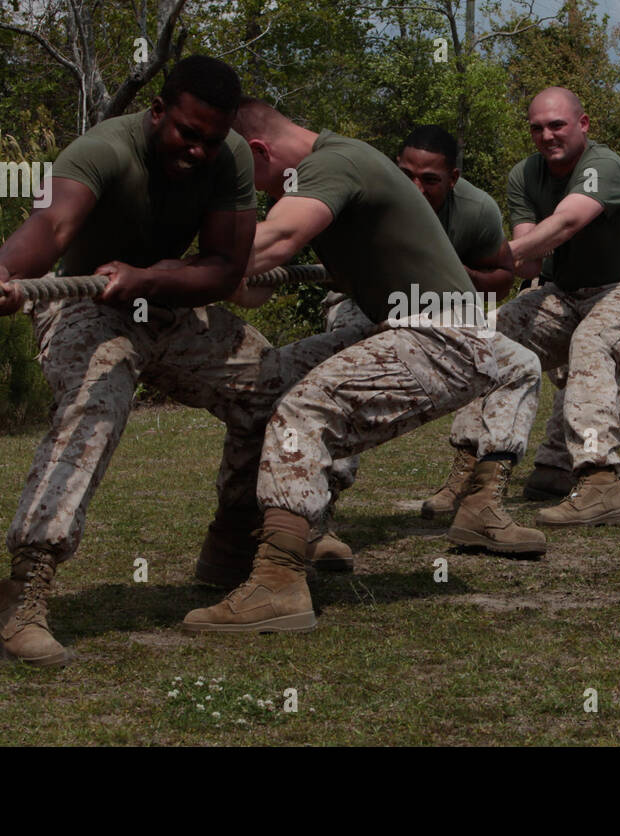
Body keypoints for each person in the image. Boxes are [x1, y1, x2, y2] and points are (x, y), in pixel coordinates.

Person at [180, 98, 545, 634]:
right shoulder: (319, 174)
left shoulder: (329, 164)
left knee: (303, 406)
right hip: (403, 326)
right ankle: (237, 541)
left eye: (241, 174)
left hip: (444, 333)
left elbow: (274, 242)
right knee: (265, 383)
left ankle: (279, 582)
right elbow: (251, 285)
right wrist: (198, 277)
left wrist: (164, 271)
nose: (247, 191)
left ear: (258, 150)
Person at [0, 55, 270, 666]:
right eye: (186, 135)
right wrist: (8, 273)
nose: (197, 151)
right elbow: (52, 225)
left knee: (274, 383)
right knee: (97, 402)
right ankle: (24, 594)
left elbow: (223, 269)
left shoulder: (232, 157)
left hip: (161, 296)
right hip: (85, 301)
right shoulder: (102, 149)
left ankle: (235, 545)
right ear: (157, 111)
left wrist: (147, 279)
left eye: (210, 141)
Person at [436, 87, 620, 529]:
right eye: (537, 127)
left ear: (583, 125)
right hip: (568, 293)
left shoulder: (606, 167)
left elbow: (563, 225)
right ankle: (470, 472)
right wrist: (458, 268)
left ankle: (599, 480)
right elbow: (530, 257)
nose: (546, 135)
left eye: (557, 125)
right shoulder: (525, 175)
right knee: (490, 337)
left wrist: (491, 256)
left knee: (594, 341)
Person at [318, 124, 515, 570]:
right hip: (364, 301)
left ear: (454, 179)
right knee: (345, 374)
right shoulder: (365, 193)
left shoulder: (477, 210)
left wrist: (455, 274)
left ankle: (480, 497)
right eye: (406, 174)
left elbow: (503, 278)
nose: (415, 187)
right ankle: (317, 514)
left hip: (441, 307)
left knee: (504, 361)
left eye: (429, 180)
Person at [513, 140, 620, 502]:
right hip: (559, 296)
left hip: (608, 299)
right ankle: (585, 467)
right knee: (588, 361)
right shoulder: (596, 173)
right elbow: (558, 229)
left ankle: (562, 462)